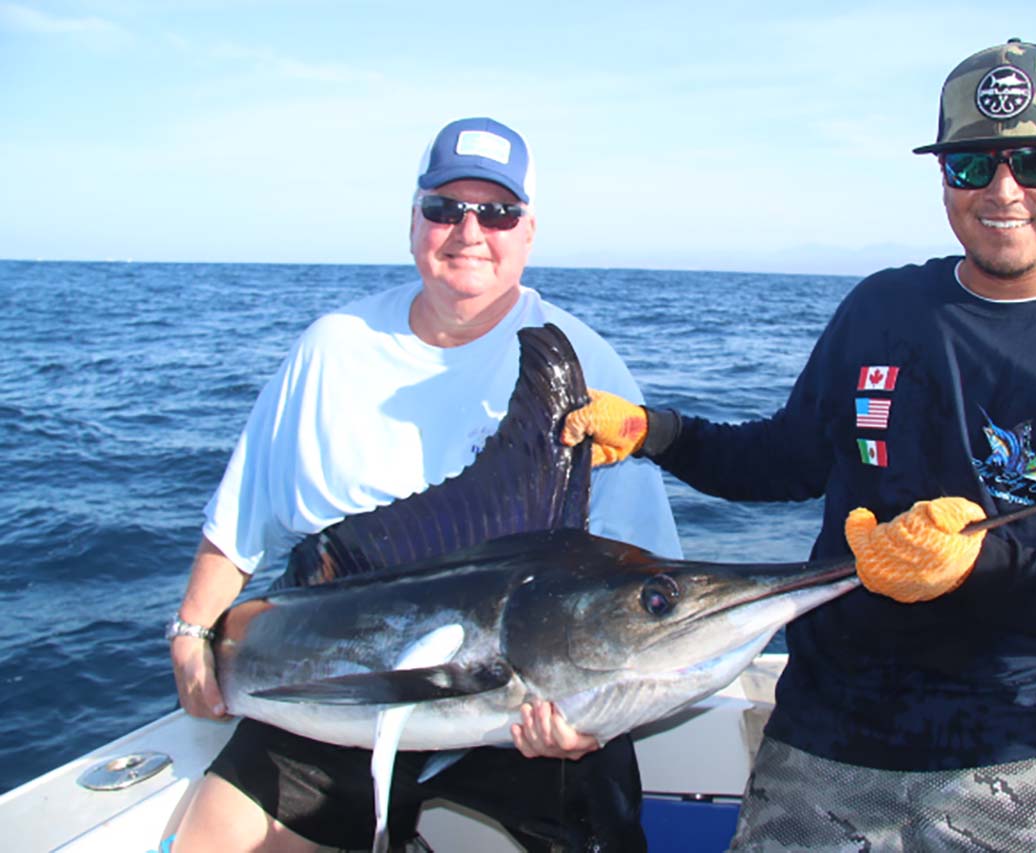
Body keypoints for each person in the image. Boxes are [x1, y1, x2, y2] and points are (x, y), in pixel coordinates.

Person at [563, 39, 1036, 851]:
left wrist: (981, 565)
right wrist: (654, 433)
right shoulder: (882, 306)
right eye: (971, 165)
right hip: (829, 737)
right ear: (943, 177)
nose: (1004, 190)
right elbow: (783, 459)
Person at [168, 116, 681, 853]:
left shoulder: (587, 366)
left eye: (497, 212)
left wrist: (594, 717)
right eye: (445, 208)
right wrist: (191, 631)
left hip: (531, 716)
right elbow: (238, 521)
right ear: (414, 222)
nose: (469, 230)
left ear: (528, 231)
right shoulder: (333, 348)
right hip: (347, 689)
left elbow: (637, 580)